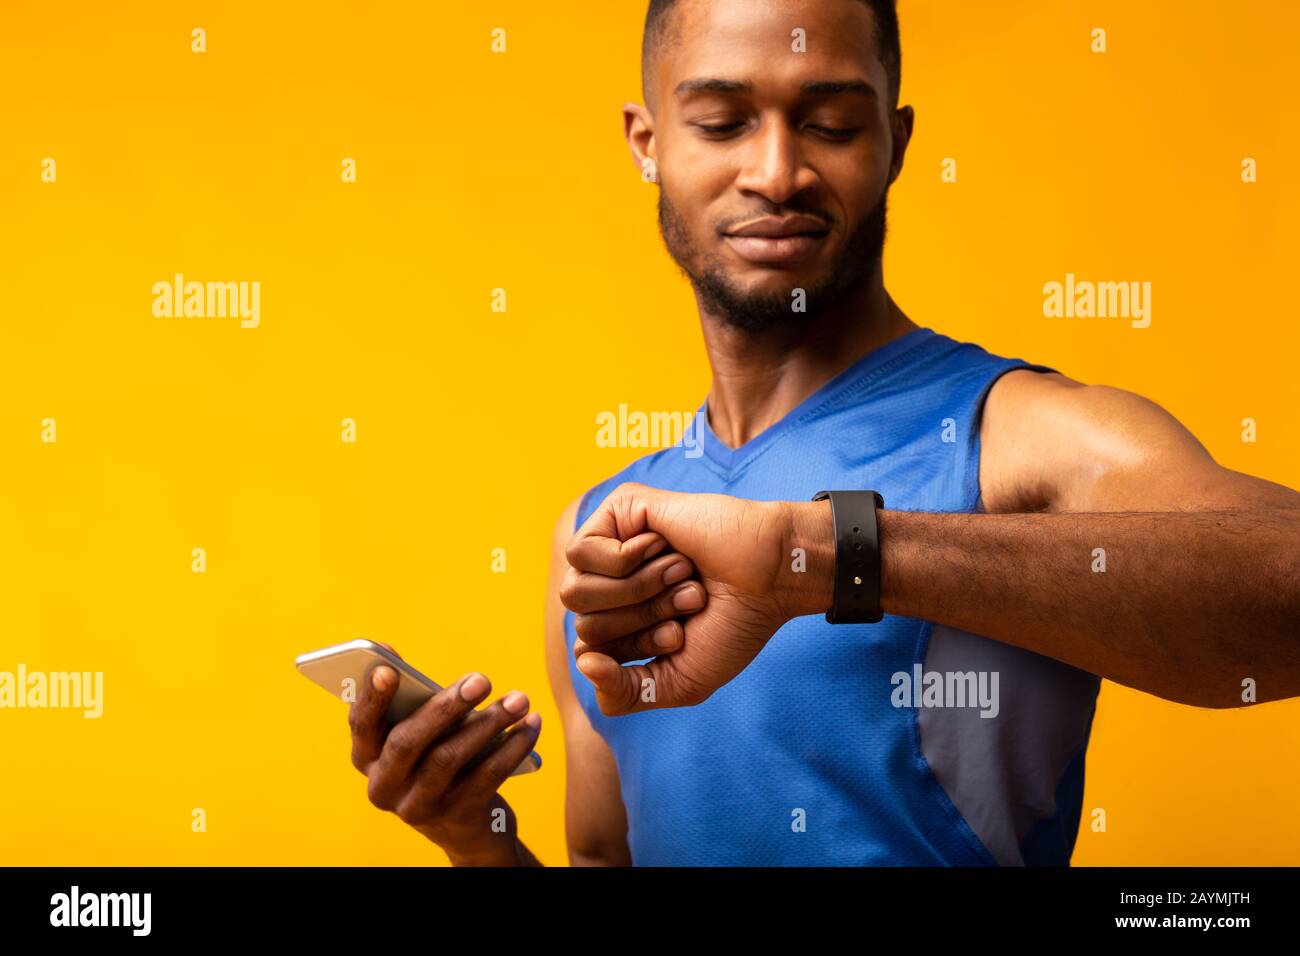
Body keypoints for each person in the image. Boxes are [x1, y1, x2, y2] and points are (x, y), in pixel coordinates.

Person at [347, 0, 1300, 866]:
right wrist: (478, 837)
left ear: (895, 141)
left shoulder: (1022, 433)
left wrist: (814, 553)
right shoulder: (593, 534)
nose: (776, 173)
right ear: (647, 142)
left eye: (831, 123)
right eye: (720, 122)